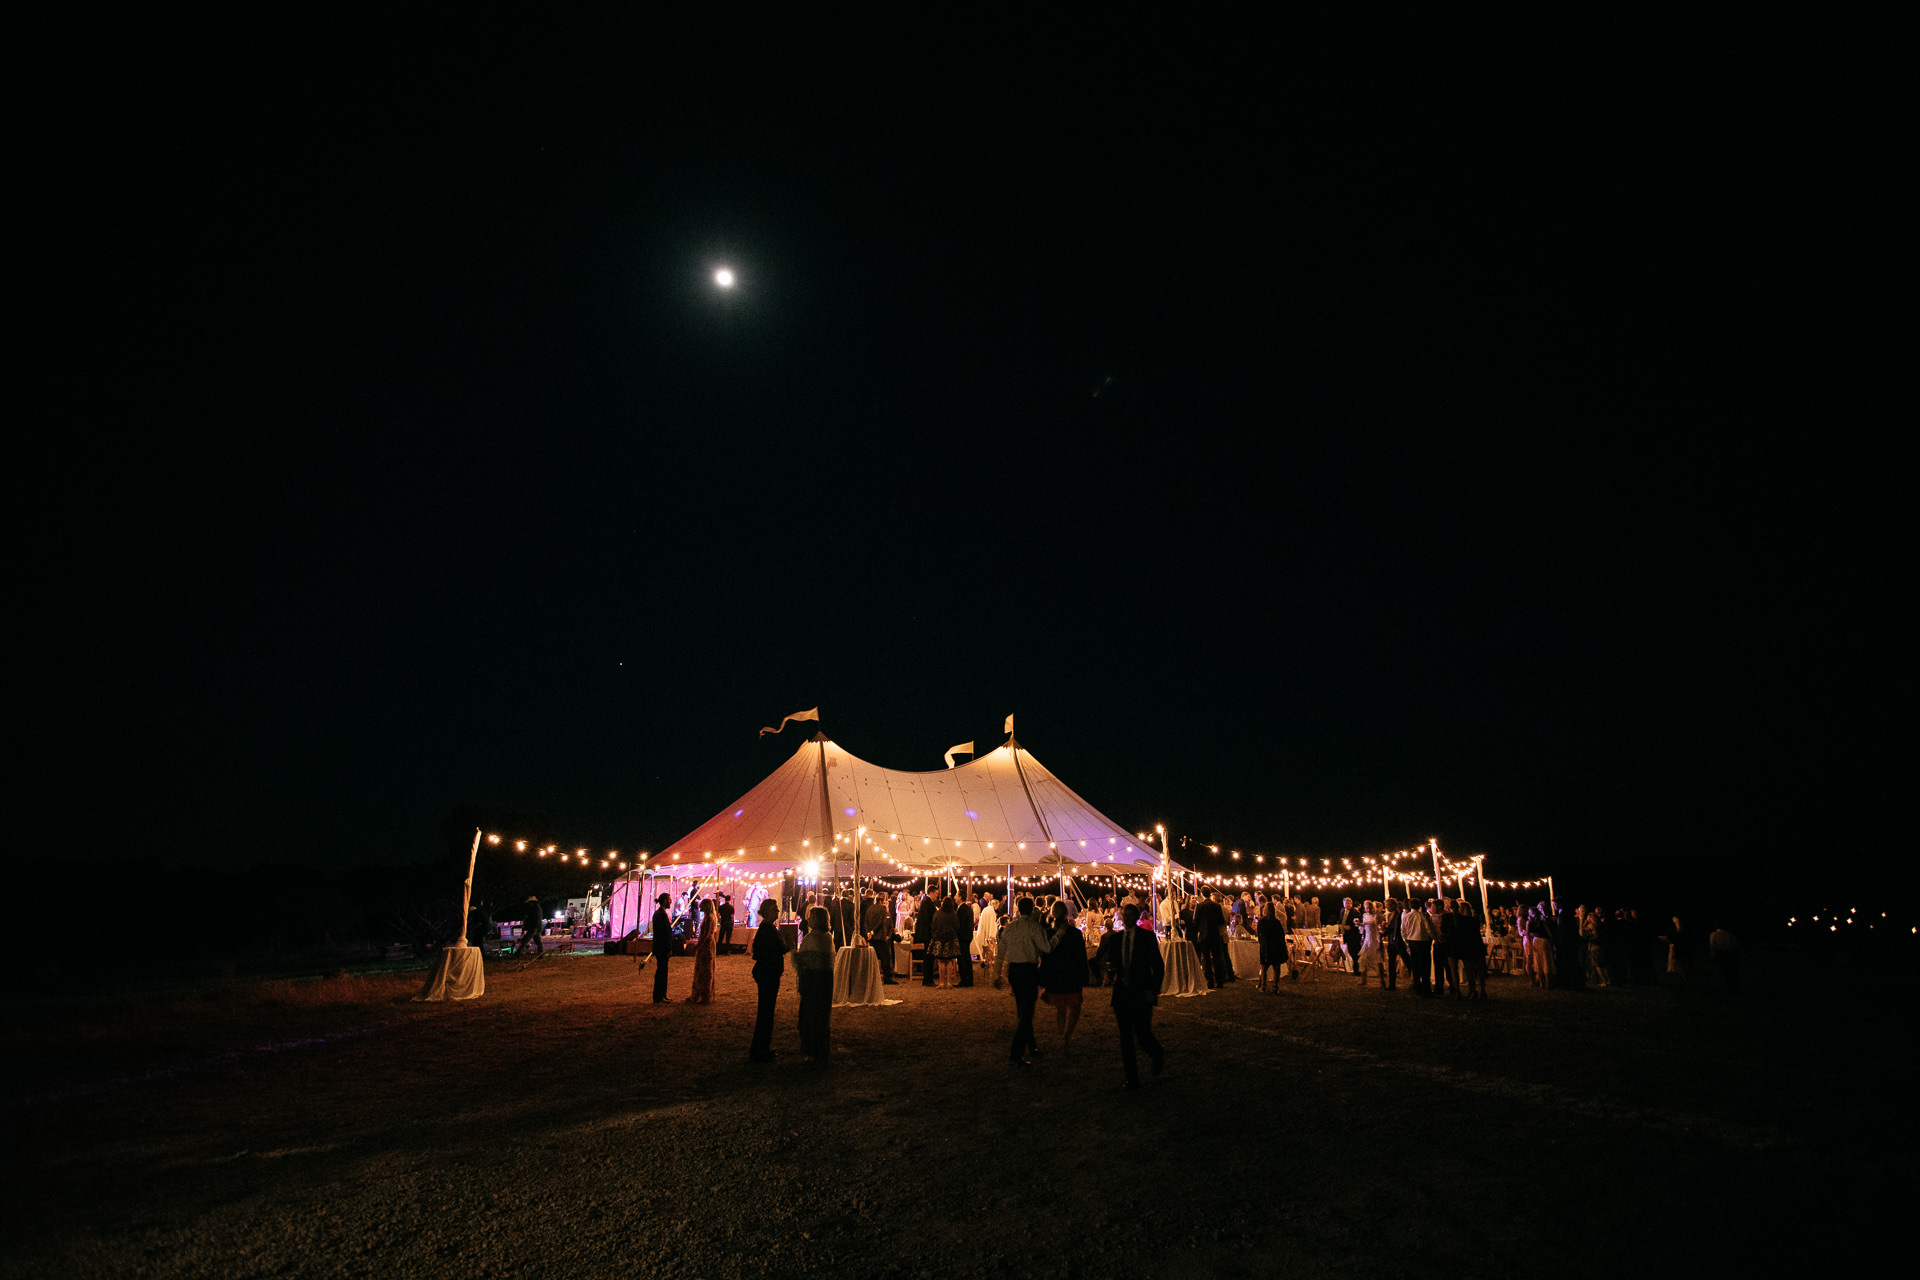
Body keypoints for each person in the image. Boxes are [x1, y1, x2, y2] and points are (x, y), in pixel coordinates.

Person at [1095, 902, 1165, 1089]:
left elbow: (1158, 965)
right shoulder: (1117, 939)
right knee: (1125, 1037)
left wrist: (1154, 989)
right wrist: (1110, 970)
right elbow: (1113, 961)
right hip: (1122, 992)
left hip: (1142, 990)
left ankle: (1157, 1053)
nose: (1126, 919)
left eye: (1130, 916)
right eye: (1124, 916)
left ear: (1136, 917)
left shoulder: (1147, 937)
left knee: (1142, 1034)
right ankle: (1132, 1079)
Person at [993, 896, 1054, 1066]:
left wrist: (996, 974)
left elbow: (1000, 954)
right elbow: (1046, 948)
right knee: (1026, 1012)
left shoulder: (1010, 928)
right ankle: (1016, 1051)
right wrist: (1059, 936)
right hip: (1028, 970)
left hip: (1014, 971)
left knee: (1023, 1009)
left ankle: (1032, 1046)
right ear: (1032, 909)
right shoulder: (1035, 928)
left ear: (1018, 910)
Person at [1040, 900, 1091, 1051]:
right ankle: (1066, 1035)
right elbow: (1081, 956)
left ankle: (1062, 1034)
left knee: (1061, 1008)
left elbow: (1045, 957)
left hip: (1056, 975)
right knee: (1074, 1007)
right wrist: (1084, 974)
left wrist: (1044, 975)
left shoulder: (1048, 933)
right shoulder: (1074, 934)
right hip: (1071, 974)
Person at [748, 899, 788, 1062]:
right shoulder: (768, 929)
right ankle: (761, 1049)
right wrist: (785, 945)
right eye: (776, 910)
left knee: (766, 1012)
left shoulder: (766, 929)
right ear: (769, 911)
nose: (778, 912)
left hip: (766, 973)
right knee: (766, 1012)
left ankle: (761, 1047)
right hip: (768, 974)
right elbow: (776, 948)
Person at [794, 906, 835, 1060]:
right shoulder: (827, 937)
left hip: (814, 979)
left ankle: (813, 1049)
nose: (808, 919)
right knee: (821, 1014)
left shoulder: (814, 938)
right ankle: (820, 1048)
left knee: (812, 1013)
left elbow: (806, 960)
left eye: (811, 917)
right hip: (824, 978)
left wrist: (797, 957)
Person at [1193, 892, 1232, 988]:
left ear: (1202, 894)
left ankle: (1210, 981)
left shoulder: (1200, 906)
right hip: (1215, 934)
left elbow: (1195, 921)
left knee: (1206, 959)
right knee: (1217, 958)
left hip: (1204, 935)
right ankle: (1219, 981)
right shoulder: (1216, 906)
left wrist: (1200, 928)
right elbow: (1221, 921)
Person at [1400, 898, 1434, 997]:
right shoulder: (1423, 915)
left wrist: (1407, 942)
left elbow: (1403, 931)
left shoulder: (1406, 916)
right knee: (1425, 966)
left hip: (1412, 942)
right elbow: (1429, 928)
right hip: (1423, 942)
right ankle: (1426, 989)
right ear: (1419, 906)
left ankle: (1417, 988)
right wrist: (1432, 938)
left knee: (1415, 966)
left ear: (1410, 906)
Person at [863, 894, 898, 984]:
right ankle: (887, 978)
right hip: (880, 936)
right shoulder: (882, 908)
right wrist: (873, 932)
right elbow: (881, 922)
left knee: (873, 958)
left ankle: (871, 977)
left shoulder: (870, 908)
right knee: (885, 958)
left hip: (872, 938)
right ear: (882, 900)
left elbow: (866, 921)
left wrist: (868, 932)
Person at [1256, 900, 1291, 990]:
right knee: (1276, 967)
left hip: (1266, 946)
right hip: (1276, 946)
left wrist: (1262, 943)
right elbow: (1281, 935)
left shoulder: (1262, 922)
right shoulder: (1277, 922)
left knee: (1264, 967)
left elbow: (1260, 935)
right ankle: (1275, 986)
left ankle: (1263, 985)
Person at [689, 898, 718, 1004]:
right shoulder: (708, 917)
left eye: (702, 905)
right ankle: (701, 994)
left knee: (705, 969)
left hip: (706, 945)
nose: (699, 907)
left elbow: (706, 934)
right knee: (704, 968)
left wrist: (698, 945)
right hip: (707, 943)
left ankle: (705, 995)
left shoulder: (709, 918)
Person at [650, 893, 675, 1003]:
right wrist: (668, 947)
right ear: (664, 900)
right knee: (662, 972)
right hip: (662, 947)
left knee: (662, 971)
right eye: (669, 900)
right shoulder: (660, 915)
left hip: (660, 947)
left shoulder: (659, 914)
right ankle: (659, 996)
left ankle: (661, 995)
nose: (670, 902)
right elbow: (664, 934)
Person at [931, 896, 960, 988]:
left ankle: (941, 982)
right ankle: (949, 983)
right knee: (949, 961)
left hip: (939, 939)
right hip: (951, 939)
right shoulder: (953, 914)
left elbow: (933, 925)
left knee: (941, 961)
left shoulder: (938, 913)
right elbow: (957, 926)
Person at [914, 889, 939, 987]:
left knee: (929, 957)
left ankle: (928, 978)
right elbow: (929, 919)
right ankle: (928, 979)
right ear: (931, 893)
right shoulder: (927, 903)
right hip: (927, 934)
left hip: (926, 934)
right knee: (929, 957)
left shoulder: (926, 902)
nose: (937, 895)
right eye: (936, 893)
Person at [1709, 921, 1740, 991]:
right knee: (1733, 970)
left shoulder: (1713, 935)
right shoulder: (1729, 935)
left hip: (1720, 954)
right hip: (1730, 954)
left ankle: (1728, 985)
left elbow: (1712, 946)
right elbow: (1735, 945)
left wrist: (1713, 955)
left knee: (1724, 970)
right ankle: (1735, 986)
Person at [955, 891, 977, 987]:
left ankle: (964, 980)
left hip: (962, 936)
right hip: (967, 936)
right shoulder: (968, 909)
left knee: (962, 958)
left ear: (960, 897)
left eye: (956, 895)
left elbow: (960, 924)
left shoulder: (962, 909)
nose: (955, 897)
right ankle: (969, 978)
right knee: (967, 958)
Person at [977, 893, 1000, 975]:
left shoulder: (985, 909)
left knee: (985, 951)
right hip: (989, 936)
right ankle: (991, 967)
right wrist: (992, 937)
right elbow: (992, 926)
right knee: (990, 952)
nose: (998, 908)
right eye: (998, 906)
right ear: (995, 905)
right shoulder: (992, 912)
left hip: (983, 934)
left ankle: (985, 963)